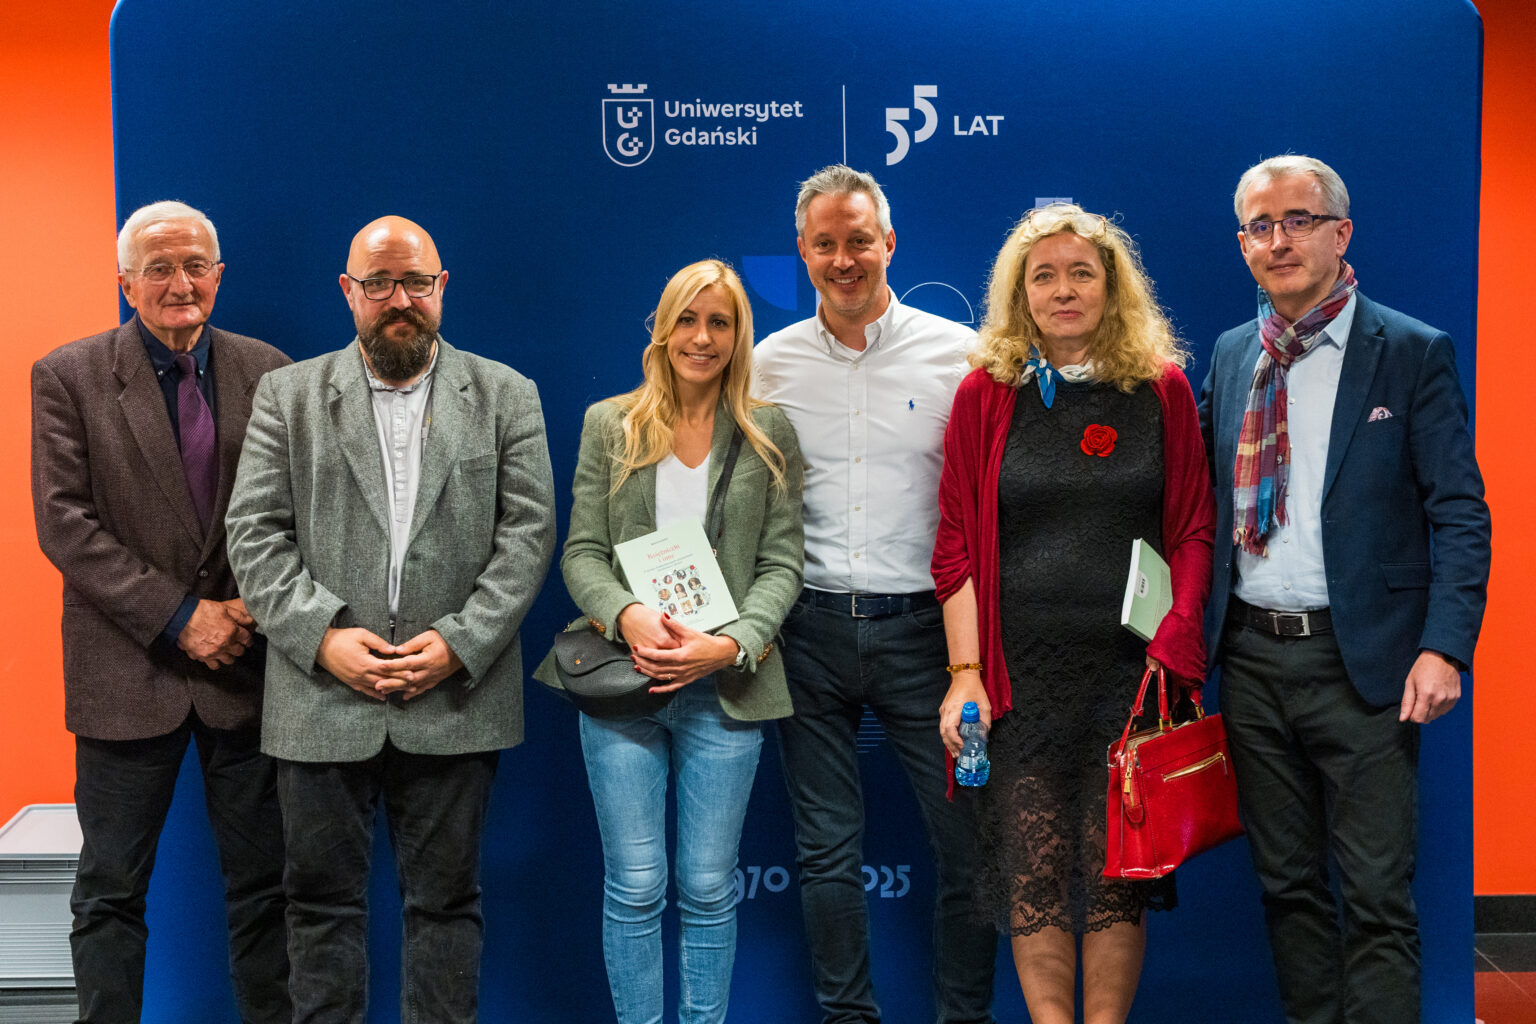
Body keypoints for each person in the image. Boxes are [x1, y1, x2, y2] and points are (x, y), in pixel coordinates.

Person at [225, 215, 556, 1024]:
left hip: (454, 697)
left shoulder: (507, 394)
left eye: (415, 282)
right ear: (349, 293)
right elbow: (254, 532)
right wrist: (323, 637)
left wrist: (460, 642)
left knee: (446, 905)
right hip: (321, 694)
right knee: (319, 906)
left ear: (443, 288)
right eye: (378, 284)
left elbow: (528, 535)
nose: (398, 300)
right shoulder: (289, 395)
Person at [1198, 155, 1490, 1024]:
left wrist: (1445, 646)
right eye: (1259, 225)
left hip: (1366, 667)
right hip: (1249, 662)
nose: (1277, 240)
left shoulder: (1408, 350)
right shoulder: (1231, 352)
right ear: (1243, 243)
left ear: (1339, 233)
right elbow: (1198, 506)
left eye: (1296, 220)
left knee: (1374, 898)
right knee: (1287, 892)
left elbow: (1460, 512)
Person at [933, 204, 1215, 1024]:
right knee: (1035, 877)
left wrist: (1174, 643)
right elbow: (953, 547)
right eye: (1044, 275)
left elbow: (1193, 529)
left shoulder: (1159, 389)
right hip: (1019, 683)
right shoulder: (986, 395)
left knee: (1113, 880)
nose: (1063, 290)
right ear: (1021, 293)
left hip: (1131, 680)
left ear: (1111, 285)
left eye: (1081, 273)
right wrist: (965, 676)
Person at [30, 200, 292, 1024]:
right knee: (110, 890)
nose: (179, 283)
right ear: (125, 283)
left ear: (218, 277)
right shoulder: (67, 375)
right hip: (125, 673)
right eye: (158, 268)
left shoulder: (271, 372)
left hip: (246, 670)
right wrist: (184, 615)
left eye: (194, 266)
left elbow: (302, 510)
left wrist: (250, 606)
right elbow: (64, 523)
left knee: (266, 891)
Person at [754, 164, 998, 1024]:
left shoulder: (961, 356)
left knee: (970, 851)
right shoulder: (765, 365)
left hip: (932, 643)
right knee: (825, 856)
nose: (843, 258)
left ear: (889, 242)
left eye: (860, 239)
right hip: (808, 633)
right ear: (803, 252)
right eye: (825, 243)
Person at [537, 258, 804, 1024]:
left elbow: (783, 562)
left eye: (719, 321)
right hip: (625, 683)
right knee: (634, 884)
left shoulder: (769, 432)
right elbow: (582, 551)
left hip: (726, 689)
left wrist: (735, 644)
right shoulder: (609, 425)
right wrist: (625, 615)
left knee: (711, 885)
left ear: (739, 333)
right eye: (687, 318)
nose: (702, 336)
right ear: (661, 327)